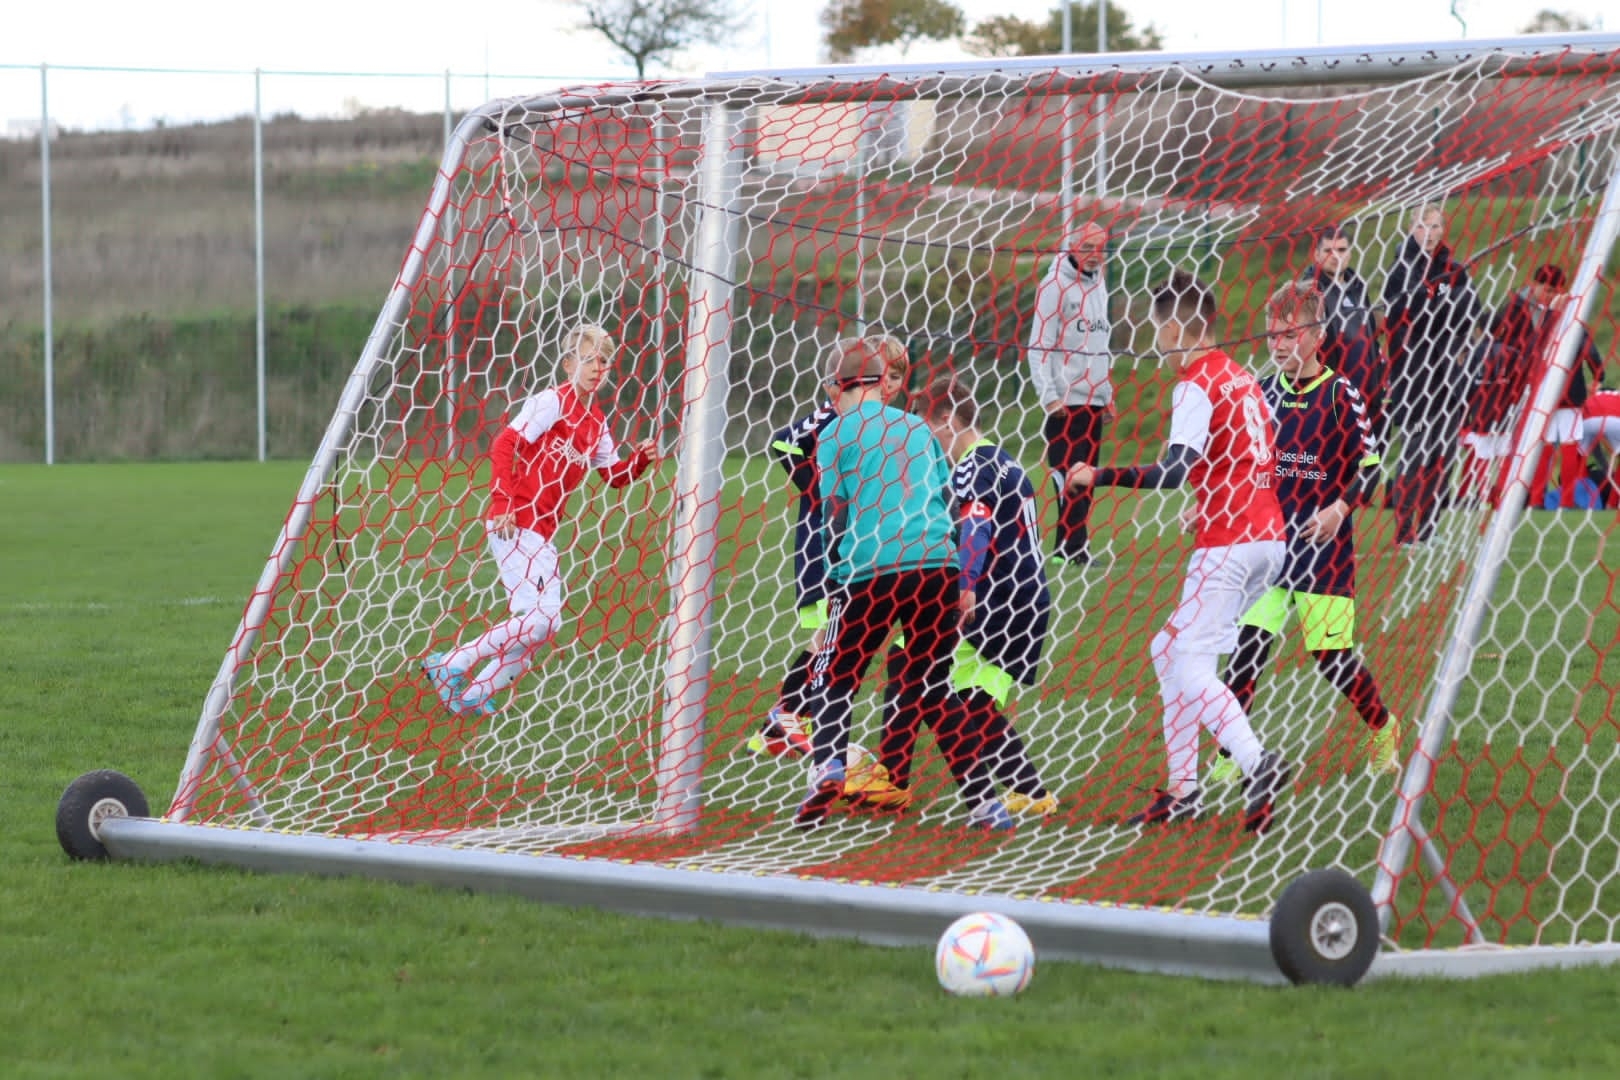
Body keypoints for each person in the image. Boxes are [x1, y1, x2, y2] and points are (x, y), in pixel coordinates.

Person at [1066, 270, 1293, 833]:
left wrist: (1098, 475)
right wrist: (1207, 498)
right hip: (1266, 537)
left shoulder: (1195, 382)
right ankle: (1183, 790)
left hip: (1230, 542)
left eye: (1156, 331)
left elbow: (1172, 471)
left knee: (1189, 663)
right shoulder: (1241, 376)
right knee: (1167, 650)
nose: (1156, 343)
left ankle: (1256, 763)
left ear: (1172, 330)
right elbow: (1247, 456)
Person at [797, 338, 1010, 830]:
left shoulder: (835, 434)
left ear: (837, 386)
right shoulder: (917, 427)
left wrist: (835, 579)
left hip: (872, 567)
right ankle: (986, 804)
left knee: (834, 673)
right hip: (937, 565)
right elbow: (947, 498)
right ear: (879, 382)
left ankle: (828, 768)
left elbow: (835, 514)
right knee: (934, 685)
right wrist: (961, 577)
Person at [1210, 281, 1402, 785]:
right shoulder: (1262, 392)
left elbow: (1371, 469)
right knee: (1247, 649)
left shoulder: (1341, 394)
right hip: (1270, 548)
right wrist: (1208, 503)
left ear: (1317, 336)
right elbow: (1238, 462)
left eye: (1289, 335)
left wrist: (1339, 508)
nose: (1277, 345)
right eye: (1272, 335)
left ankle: (1382, 726)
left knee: (1332, 660)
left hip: (1325, 553)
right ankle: (1231, 754)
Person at [843, 377, 1057, 818]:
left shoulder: (970, 466)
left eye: (928, 429)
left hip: (994, 598)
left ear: (947, 420)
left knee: (915, 664)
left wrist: (966, 583)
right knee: (969, 697)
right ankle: (1032, 792)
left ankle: (892, 780)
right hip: (1027, 598)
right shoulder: (1003, 460)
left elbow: (976, 523)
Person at [422, 323, 657, 717]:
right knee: (541, 621)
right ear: (568, 364)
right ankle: (451, 664)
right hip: (515, 521)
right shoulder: (553, 401)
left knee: (544, 627)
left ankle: (472, 695)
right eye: (587, 359)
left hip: (543, 531)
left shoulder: (596, 422)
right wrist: (502, 501)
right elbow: (505, 443)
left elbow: (614, 475)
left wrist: (640, 460)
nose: (596, 368)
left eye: (603, 361)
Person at [748, 336, 911, 758]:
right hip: (825, 545)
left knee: (834, 636)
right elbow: (783, 442)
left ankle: (776, 726)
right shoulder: (835, 412)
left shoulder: (886, 421)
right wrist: (819, 493)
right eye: (885, 375)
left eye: (897, 377)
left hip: (859, 545)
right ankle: (788, 715)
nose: (891, 385)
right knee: (833, 636)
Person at [1381, 204, 1485, 547]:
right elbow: (1412, 314)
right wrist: (1444, 302)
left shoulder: (1454, 268)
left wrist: (1442, 302)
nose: (1430, 233)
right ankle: (1404, 529)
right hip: (1414, 376)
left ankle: (1429, 527)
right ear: (1412, 229)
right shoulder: (1400, 269)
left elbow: (1471, 310)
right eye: (1424, 226)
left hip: (1448, 376)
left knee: (1443, 455)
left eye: (1436, 226)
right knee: (1415, 452)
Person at [1028, 221, 1114, 566]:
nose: (1095, 255)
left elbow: (1100, 343)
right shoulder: (1053, 286)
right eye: (1088, 247)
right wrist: (1049, 396)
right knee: (1067, 476)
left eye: (1100, 248)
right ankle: (1073, 549)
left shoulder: (1100, 282)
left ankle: (1069, 548)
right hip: (1064, 402)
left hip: (1093, 399)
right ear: (1073, 246)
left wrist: (1106, 393)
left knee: (1087, 477)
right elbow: (1039, 345)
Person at [1494, 264, 1604, 510]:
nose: (1551, 295)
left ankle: (1542, 499)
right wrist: (1598, 373)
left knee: (1549, 445)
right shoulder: (1564, 317)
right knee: (1562, 445)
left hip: (1544, 391)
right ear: (1535, 285)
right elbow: (1587, 347)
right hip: (1554, 389)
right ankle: (1551, 499)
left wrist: (1598, 374)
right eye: (1548, 289)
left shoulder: (1545, 317)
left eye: (1556, 291)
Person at [1301, 225, 1386, 425]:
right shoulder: (1309, 293)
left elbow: (1371, 340)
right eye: (1328, 251)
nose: (1335, 256)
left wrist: (1379, 386)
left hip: (1368, 398)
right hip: (1332, 401)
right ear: (1316, 255)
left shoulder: (1357, 287)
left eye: (1341, 250)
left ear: (1349, 253)